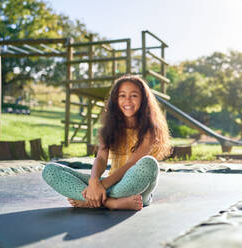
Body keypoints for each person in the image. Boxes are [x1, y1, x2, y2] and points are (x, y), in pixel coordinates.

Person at [42, 75, 171, 210]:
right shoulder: (109, 128)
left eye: (134, 95)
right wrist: (93, 182)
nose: (127, 100)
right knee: (50, 170)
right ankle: (111, 202)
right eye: (122, 95)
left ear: (143, 100)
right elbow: (101, 158)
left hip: (136, 189)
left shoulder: (150, 130)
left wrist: (101, 187)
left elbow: (131, 164)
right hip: (112, 185)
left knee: (149, 163)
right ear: (115, 99)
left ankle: (93, 200)